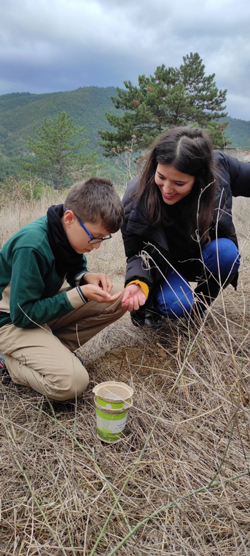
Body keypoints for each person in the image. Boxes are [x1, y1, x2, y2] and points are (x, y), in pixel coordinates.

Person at [0, 177, 126, 400]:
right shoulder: (33, 245)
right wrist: (79, 295)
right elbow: (22, 315)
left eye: (102, 240)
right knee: (72, 383)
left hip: (37, 311)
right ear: (69, 218)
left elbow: (74, 270)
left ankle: (49, 350)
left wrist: (86, 277)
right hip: (9, 320)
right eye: (94, 238)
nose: (95, 247)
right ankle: (10, 362)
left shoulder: (65, 231)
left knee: (118, 296)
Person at [121, 126, 250, 326]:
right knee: (176, 303)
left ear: (199, 179)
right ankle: (155, 306)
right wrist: (137, 283)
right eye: (161, 177)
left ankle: (197, 311)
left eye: (179, 183)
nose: (167, 189)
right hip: (163, 266)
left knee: (226, 254)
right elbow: (138, 254)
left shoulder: (219, 171)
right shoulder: (136, 198)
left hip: (201, 255)